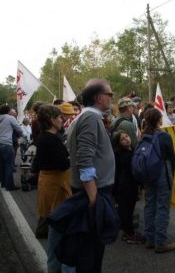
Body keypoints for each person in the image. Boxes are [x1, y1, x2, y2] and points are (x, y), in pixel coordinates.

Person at [67, 78, 116, 272]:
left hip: (91, 191)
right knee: (91, 252)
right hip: (93, 193)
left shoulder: (86, 116)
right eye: (109, 94)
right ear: (99, 98)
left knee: (90, 250)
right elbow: (84, 159)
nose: (112, 98)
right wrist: (94, 198)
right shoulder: (90, 118)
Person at [31, 105, 74, 273]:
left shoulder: (46, 137)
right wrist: (70, 157)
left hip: (51, 183)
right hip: (55, 185)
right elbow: (62, 164)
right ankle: (55, 265)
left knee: (56, 225)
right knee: (58, 226)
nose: (61, 119)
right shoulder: (50, 138)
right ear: (51, 120)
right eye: (58, 117)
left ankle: (55, 265)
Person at [142, 108, 175, 253]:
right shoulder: (164, 136)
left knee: (150, 204)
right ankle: (160, 242)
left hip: (148, 174)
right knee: (162, 206)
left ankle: (149, 239)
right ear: (158, 120)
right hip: (162, 173)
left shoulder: (143, 136)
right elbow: (172, 158)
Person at [111, 130, 145, 244]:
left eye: (126, 136)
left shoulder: (132, 151)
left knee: (129, 210)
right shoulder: (122, 154)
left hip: (131, 185)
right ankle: (129, 234)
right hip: (125, 186)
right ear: (118, 143)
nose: (126, 139)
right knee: (126, 210)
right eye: (122, 139)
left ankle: (128, 232)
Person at [0, 104, 23, 191]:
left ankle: (3, 184)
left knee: (1, 165)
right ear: (8, 111)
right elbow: (19, 129)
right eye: (10, 110)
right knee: (9, 165)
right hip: (6, 143)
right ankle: (9, 185)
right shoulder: (10, 118)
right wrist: (20, 135)